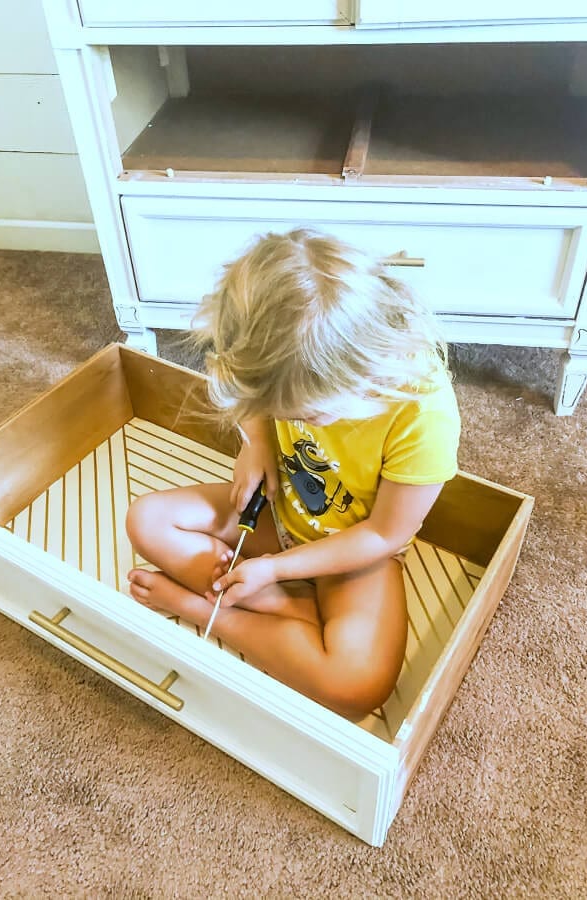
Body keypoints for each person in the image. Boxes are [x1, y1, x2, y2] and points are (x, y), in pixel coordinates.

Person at [126, 228, 460, 720]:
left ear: (362, 376)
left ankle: (208, 611)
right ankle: (287, 612)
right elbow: (246, 396)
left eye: (309, 412)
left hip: (354, 552)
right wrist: (258, 441)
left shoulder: (423, 416)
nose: (297, 421)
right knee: (146, 520)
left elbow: (385, 535)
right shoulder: (275, 352)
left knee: (356, 686)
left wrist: (276, 571)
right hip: (279, 513)